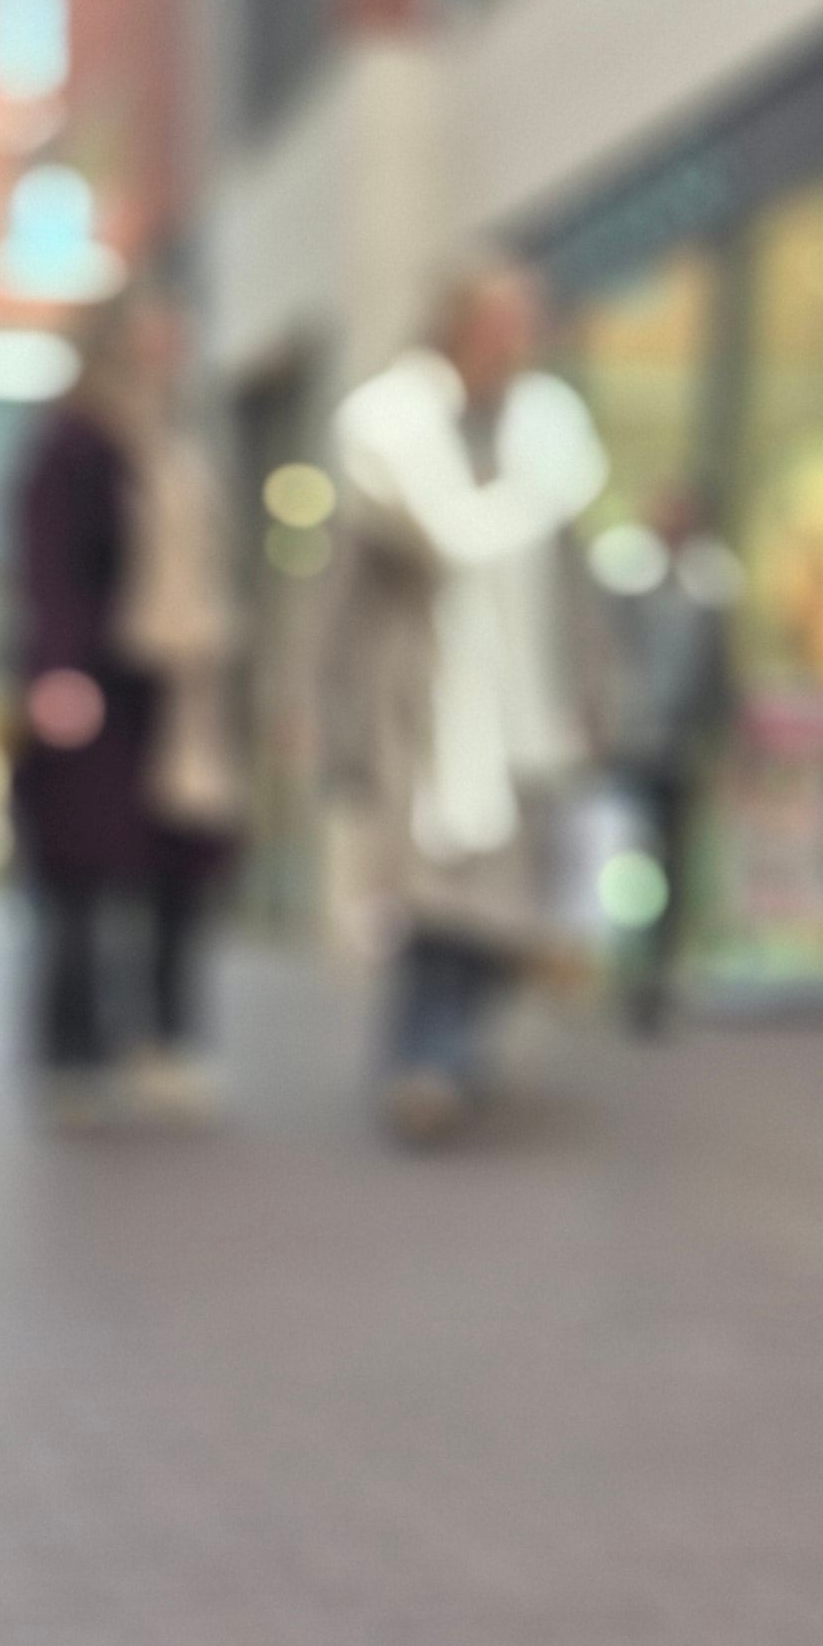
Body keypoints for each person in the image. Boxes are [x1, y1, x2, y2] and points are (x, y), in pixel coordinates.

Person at [328, 261, 610, 1143]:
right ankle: (425, 1063)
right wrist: (334, 707)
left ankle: (449, 1054)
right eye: (503, 321)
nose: (520, 338)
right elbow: (348, 597)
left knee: (505, 909)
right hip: (430, 710)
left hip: (527, 714)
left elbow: (573, 585)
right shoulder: (396, 432)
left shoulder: (547, 438)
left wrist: (596, 694)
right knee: (435, 897)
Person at [7, 285, 244, 1126]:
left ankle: (165, 1041)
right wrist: (56, 672)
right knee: (81, 879)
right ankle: (73, 1051)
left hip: (179, 699)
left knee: (178, 877)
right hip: (98, 693)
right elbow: (47, 569)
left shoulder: (180, 442)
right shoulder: (74, 444)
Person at [595, 485, 741, 1035]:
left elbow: (718, 678)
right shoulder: (623, 583)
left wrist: (722, 743)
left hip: (678, 752)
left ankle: (655, 974)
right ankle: (621, 966)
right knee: (625, 861)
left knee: (672, 868)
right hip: (628, 749)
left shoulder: (708, 593)